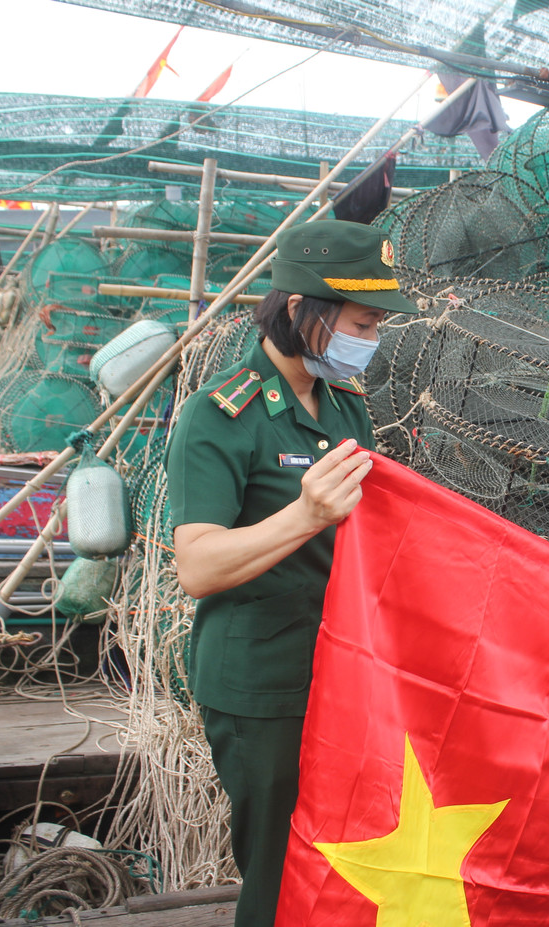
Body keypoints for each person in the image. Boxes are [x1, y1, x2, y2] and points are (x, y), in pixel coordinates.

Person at [165, 220, 417, 927]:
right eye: (363, 322)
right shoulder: (220, 416)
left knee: (338, 862)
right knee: (278, 876)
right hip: (262, 684)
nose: (371, 338)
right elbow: (197, 563)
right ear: (305, 308)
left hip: (340, 671)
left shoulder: (345, 406)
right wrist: (303, 515)